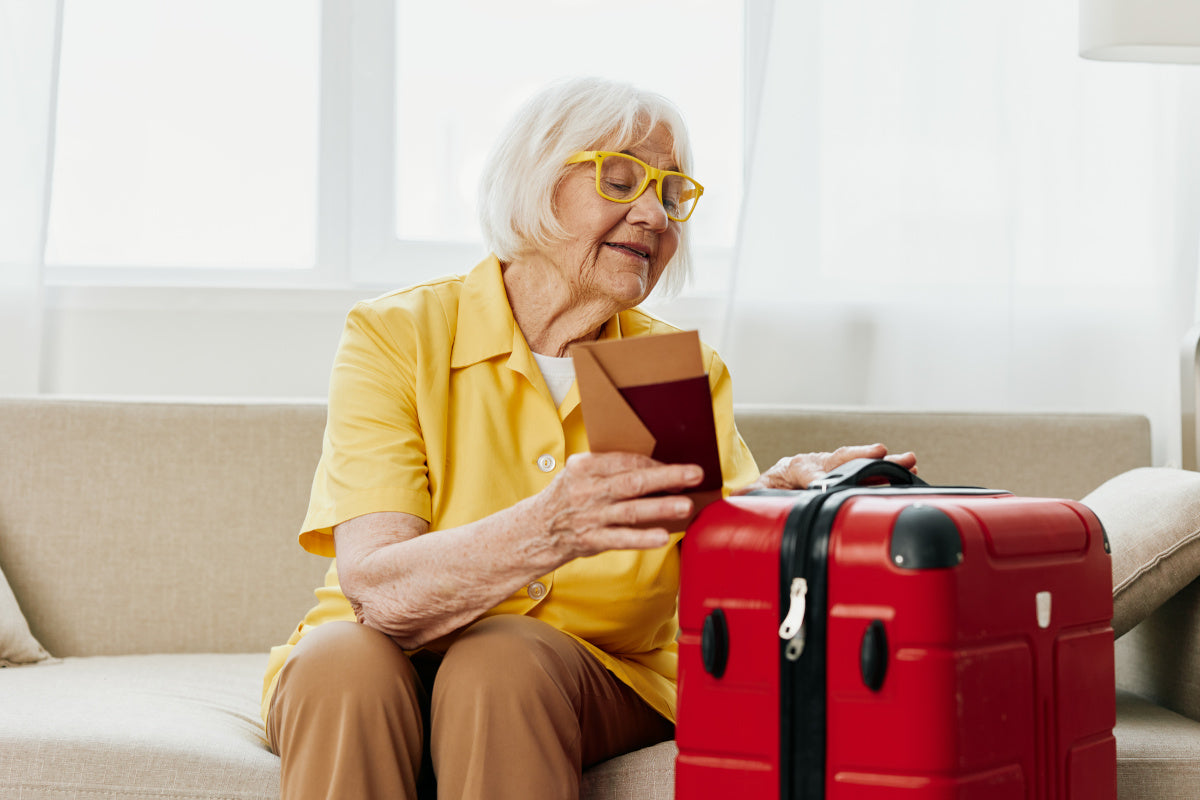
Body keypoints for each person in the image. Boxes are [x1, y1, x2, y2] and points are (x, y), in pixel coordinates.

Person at [261, 76, 916, 799]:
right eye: (621, 179)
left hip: (595, 668)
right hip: (381, 654)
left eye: (670, 195)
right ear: (536, 185)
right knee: (341, 665)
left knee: (500, 663)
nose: (654, 216)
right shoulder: (399, 335)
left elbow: (715, 559)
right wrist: (550, 526)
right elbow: (378, 589)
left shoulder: (672, 370)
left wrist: (780, 502)